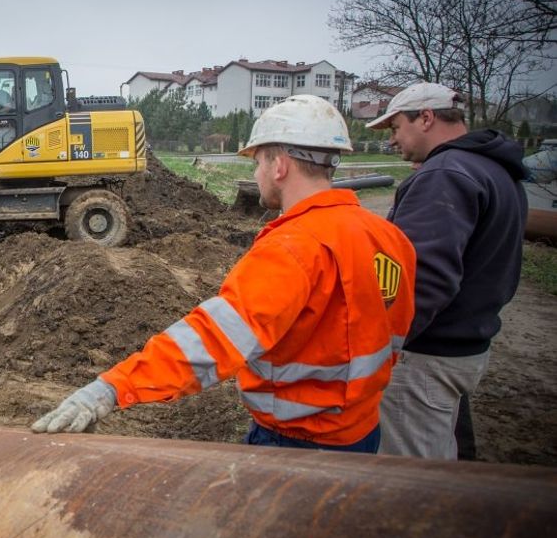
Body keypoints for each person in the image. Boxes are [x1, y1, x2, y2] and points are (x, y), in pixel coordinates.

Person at [32, 95, 416, 452]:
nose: (258, 171)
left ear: (278, 165)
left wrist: (112, 388)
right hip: (363, 434)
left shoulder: (292, 248)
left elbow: (212, 340)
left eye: (258, 161)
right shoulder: (390, 238)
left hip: (296, 443)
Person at [367, 82, 528, 460]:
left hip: (425, 355)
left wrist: (377, 348)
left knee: (410, 481)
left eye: (395, 128)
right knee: (446, 454)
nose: (392, 141)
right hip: (463, 344)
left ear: (425, 117)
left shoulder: (445, 175)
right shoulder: (495, 170)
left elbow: (421, 280)